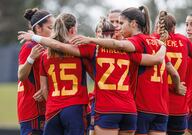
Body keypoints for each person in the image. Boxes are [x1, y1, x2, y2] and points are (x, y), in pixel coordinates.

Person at [18, 14, 167, 135]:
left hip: (101, 109)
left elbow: (59, 46)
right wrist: (163, 46)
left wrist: (35, 38)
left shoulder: (91, 50)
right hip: (128, 109)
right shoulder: (129, 52)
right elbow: (155, 59)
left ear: (98, 34)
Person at [153, 10, 192, 135]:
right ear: (174, 27)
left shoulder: (152, 40)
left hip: (163, 102)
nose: (188, 28)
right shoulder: (184, 41)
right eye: (186, 24)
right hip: (180, 103)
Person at [33, 13, 90, 135]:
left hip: (53, 109)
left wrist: (53, 103)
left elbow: (44, 89)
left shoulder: (45, 54)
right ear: (72, 29)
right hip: (75, 107)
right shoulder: (79, 52)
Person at [17, 8, 54, 135]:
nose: (53, 31)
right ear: (38, 28)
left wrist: (45, 87)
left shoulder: (50, 46)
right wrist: (31, 58)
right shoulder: (29, 46)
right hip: (32, 108)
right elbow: (21, 75)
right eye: (50, 27)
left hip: (47, 106)